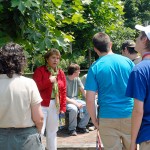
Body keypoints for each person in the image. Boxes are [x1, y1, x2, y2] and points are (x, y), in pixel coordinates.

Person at [85, 32, 135, 150]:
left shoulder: (95, 67)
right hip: (130, 114)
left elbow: (89, 99)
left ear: (95, 49)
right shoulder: (128, 62)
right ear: (110, 45)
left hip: (107, 117)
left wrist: (95, 120)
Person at [0, 42, 44, 150]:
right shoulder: (29, 83)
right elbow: (39, 118)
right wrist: (38, 133)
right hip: (26, 139)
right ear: (21, 60)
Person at [33, 48, 66, 150]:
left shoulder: (60, 73)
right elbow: (35, 88)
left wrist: (63, 108)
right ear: (47, 59)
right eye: (53, 57)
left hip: (55, 105)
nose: (56, 60)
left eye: (57, 58)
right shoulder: (40, 71)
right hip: (41, 105)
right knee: (40, 131)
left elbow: (63, 91)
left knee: (52, 132)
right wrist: (49, 81)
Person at [126, 25, 150, 150]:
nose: (136, 39)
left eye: (138, 36)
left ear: (144, 39)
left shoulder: (140, 70)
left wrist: (133, 141)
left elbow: (138, 111)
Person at [66, 63, 90, 136]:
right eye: (78, 71)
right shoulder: (64, 80)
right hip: (67, 101)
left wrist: (89, 100)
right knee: (74, 109)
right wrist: (76, 104)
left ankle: (81, 126)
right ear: (74, 72)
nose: (80, 72)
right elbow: (63, 97)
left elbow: (83, 90)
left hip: (75, 99)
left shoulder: (77, 79)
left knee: (88, 106)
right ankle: (71, 129)